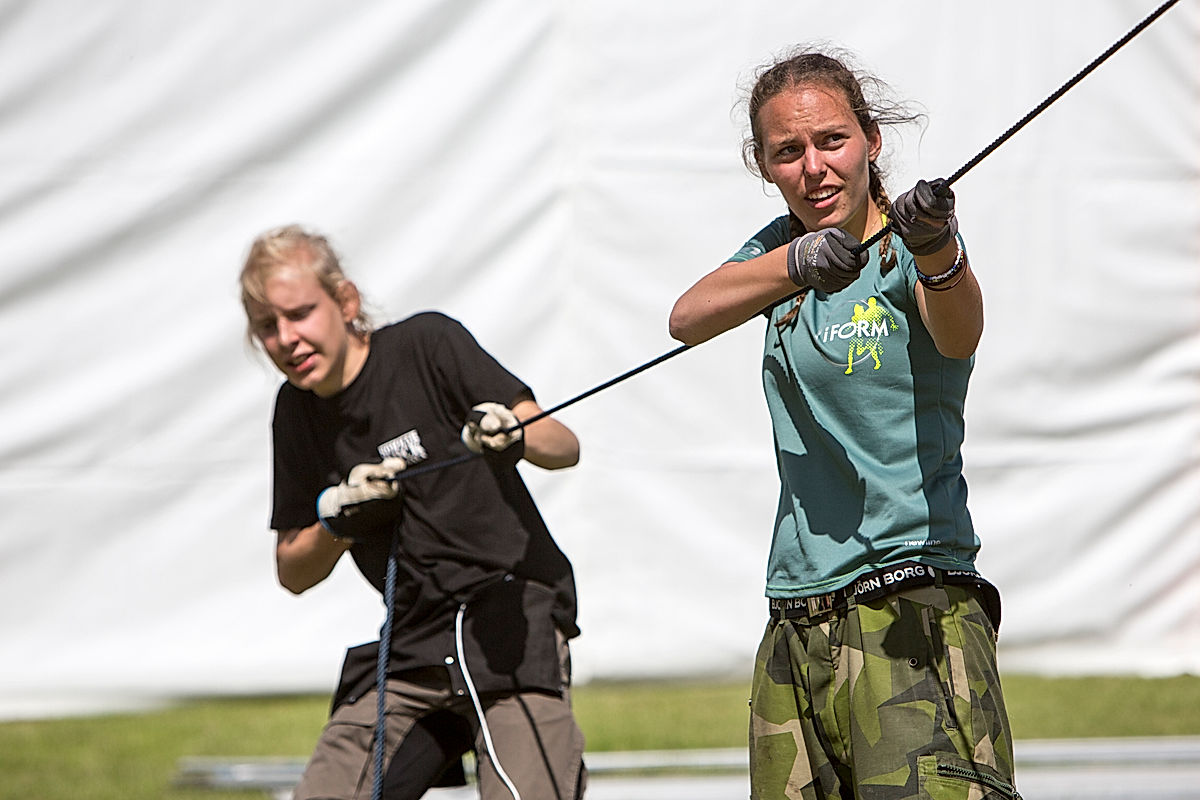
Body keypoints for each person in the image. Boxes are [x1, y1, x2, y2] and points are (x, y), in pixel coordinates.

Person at [669, 48, 1020, 799]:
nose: (814, 168)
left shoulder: (908, 244)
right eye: (787, 152)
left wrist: (937, 248)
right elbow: (686, 317)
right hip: (795, 617)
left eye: (832, 140)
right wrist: (798, 261)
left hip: (910, 602)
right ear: (764, 165)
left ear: (872, 140)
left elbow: (959, 335)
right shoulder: (777, 250)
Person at [239, 225, 587, 800]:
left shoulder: (427, 343)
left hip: (508, 626)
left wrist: (513, 433)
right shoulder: (294, 413)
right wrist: (339, 521)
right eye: (267, 327)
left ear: (345, 301)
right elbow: (293, 571)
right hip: (411, 648)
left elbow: (564, 445)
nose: (286, 339)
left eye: (298, 314)